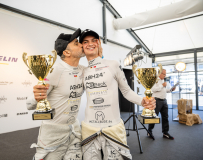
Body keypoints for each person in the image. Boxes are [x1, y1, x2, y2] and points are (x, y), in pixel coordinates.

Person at [79, 29, 156, 160]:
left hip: (113, 128)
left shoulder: (113, 64)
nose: (90, 44)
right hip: (89, 129)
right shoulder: (82, 71)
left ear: (99, 44)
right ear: (82, 46)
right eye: (85, 41)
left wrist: (143, 101)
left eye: (94, 40)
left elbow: (126, 91)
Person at [26, 28, 85, 160]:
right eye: (76, 43)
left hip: (74, 132)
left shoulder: (83, 70)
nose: (81, 44)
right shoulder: (55, 70)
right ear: (66, 52)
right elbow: (29, 104)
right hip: (53, 136)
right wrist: (36, 97)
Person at [148, 69, 176, 140]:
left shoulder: (163, 80)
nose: (165, 75)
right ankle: (149, 131)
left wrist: (171, 90)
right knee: (154, 117)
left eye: (165, 74)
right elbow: (153, 89)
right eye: (164, 74)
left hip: (164, 101)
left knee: (165, 117)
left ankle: (165, 133)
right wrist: (161, 85)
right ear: (159, 74)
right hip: (157, 100)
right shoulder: (154, 80)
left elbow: (164, 90)